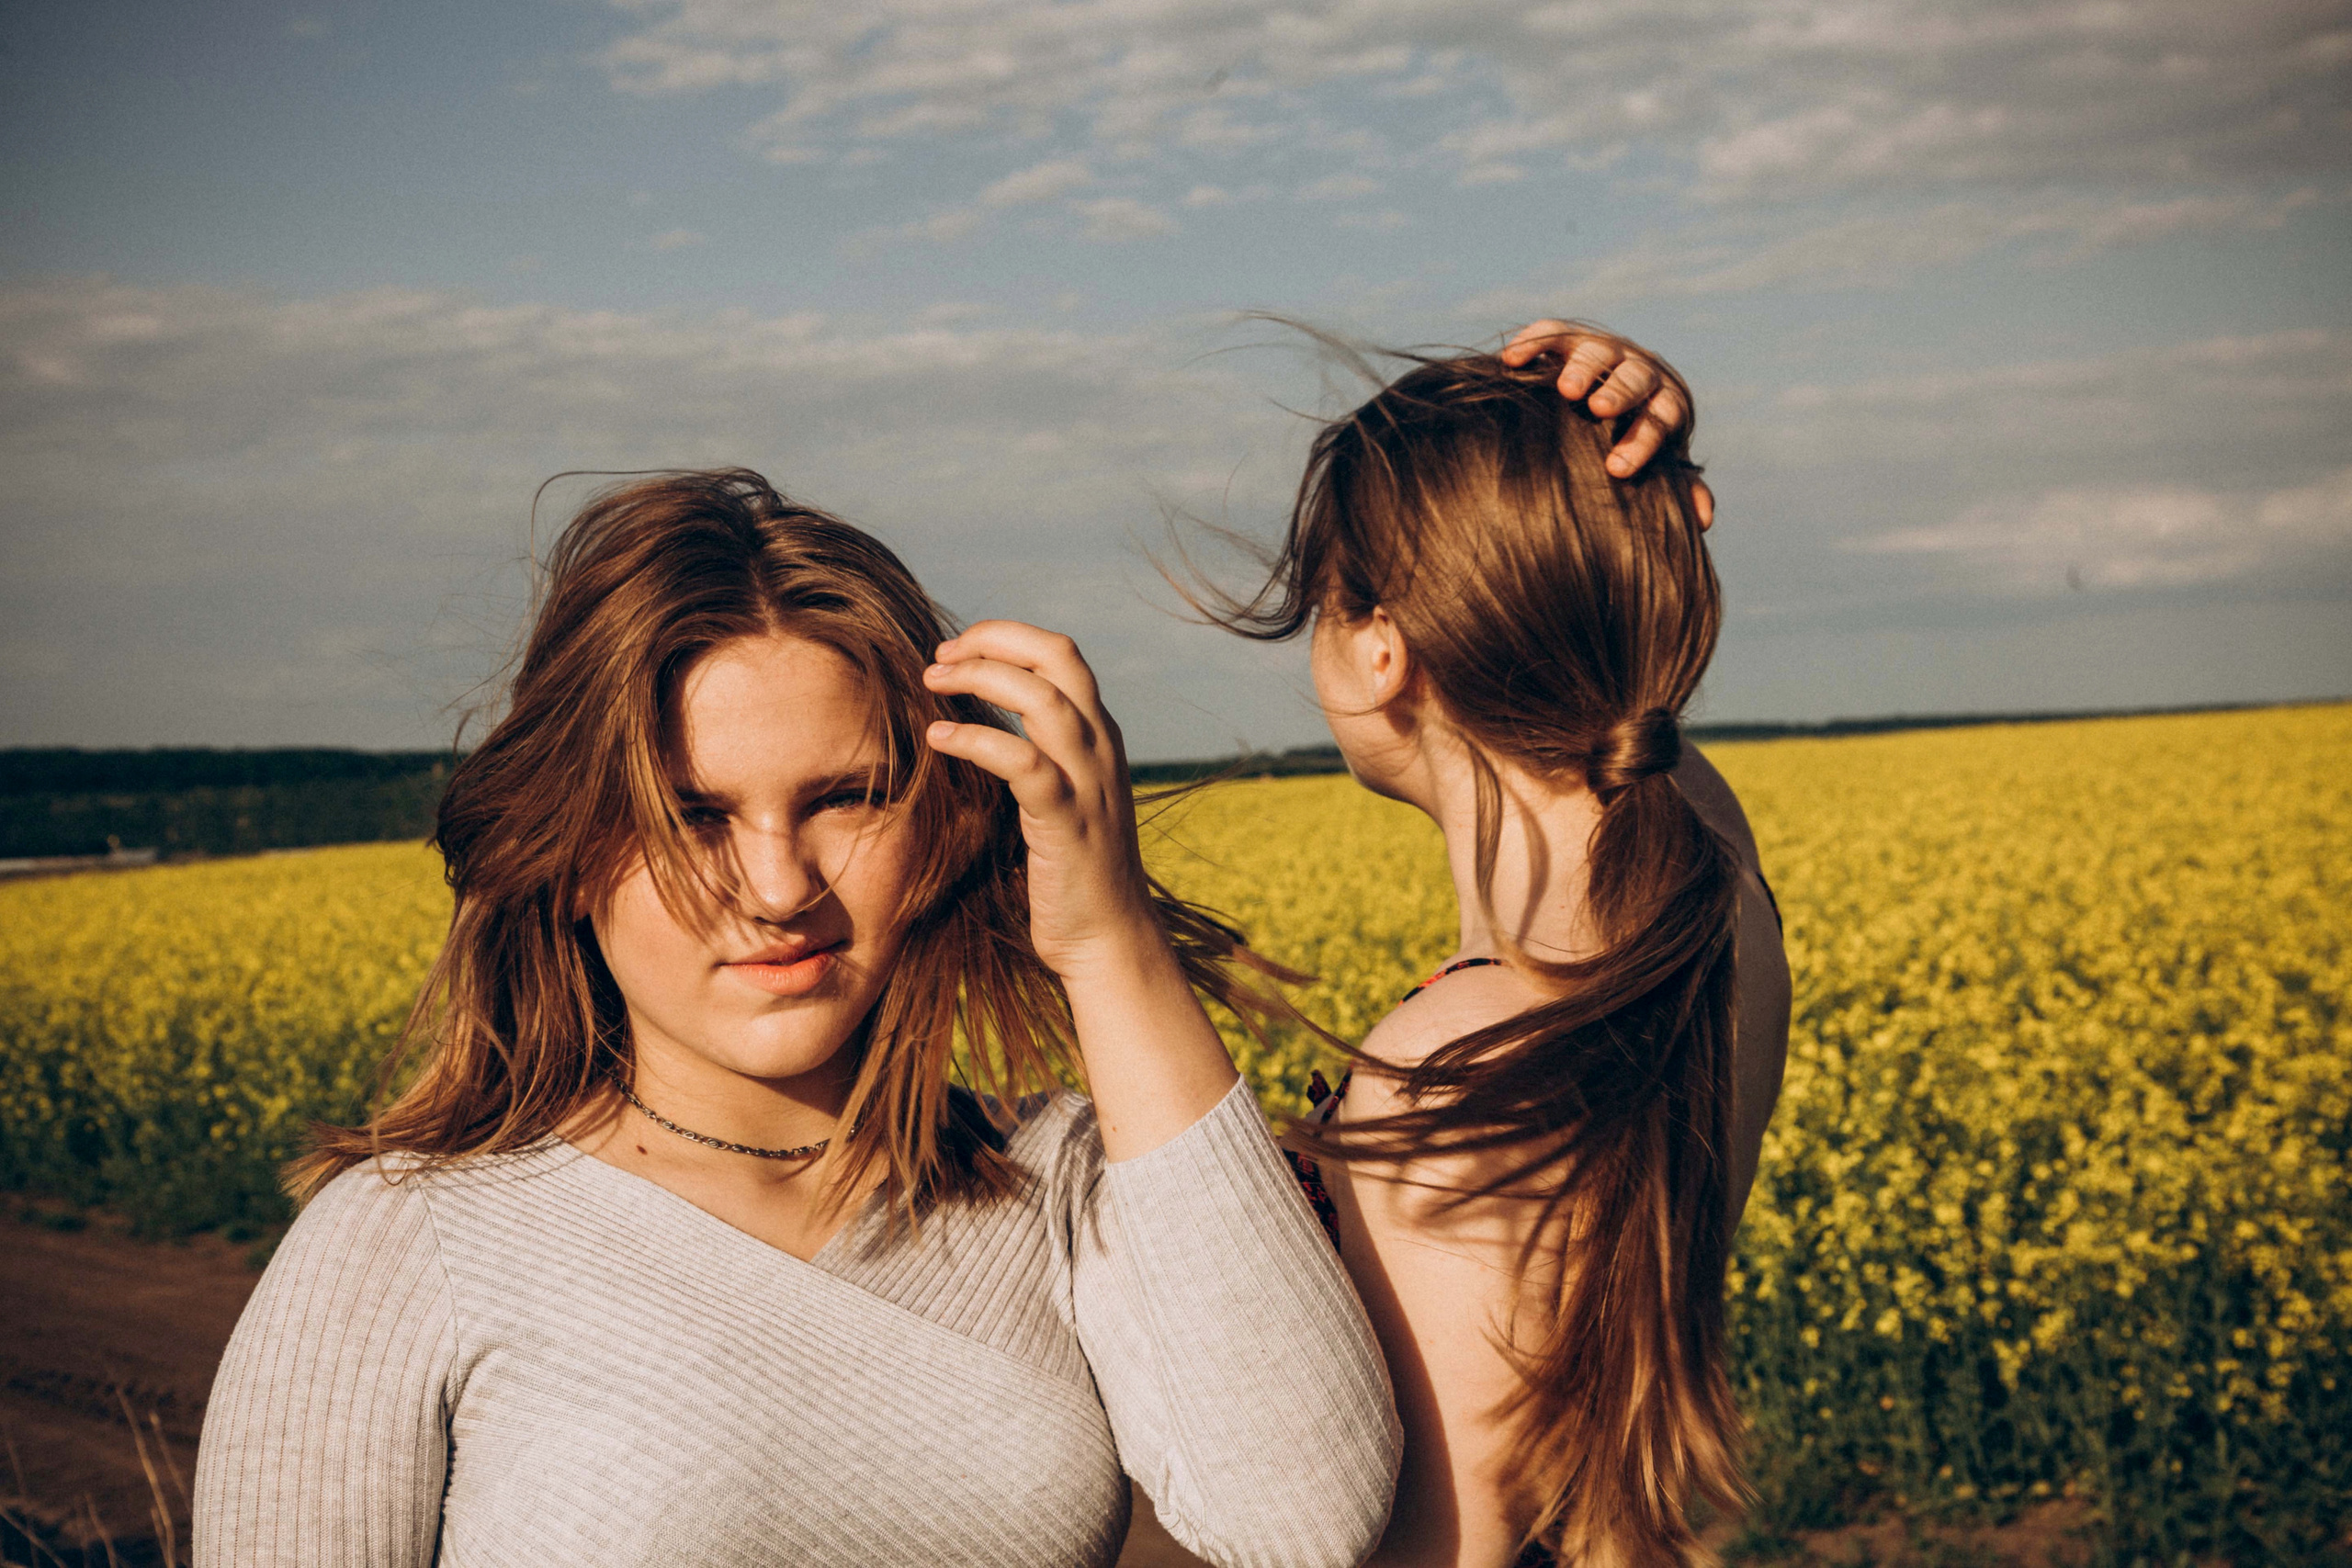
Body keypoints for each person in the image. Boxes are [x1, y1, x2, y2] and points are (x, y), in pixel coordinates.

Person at [191, 469, 1402, 1566]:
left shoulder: (1057, 1185)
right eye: (695, 816)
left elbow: (1302, 1522)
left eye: (844, 799)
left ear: (940, 823)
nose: (777, 889)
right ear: (561, 850)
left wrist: (1110, 941)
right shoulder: (412, 1238)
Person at [1202, 323, 1792, 1566]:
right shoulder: (1712, 895)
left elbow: (1451, 1549)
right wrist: (1612, 504)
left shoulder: (1461, 1051)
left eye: (1324, 601)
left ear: (1378, 650)